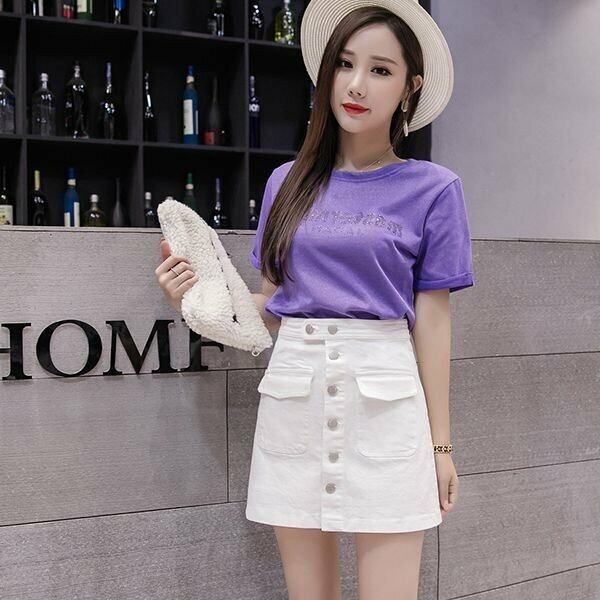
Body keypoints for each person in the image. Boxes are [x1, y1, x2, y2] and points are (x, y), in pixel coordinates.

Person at [155, 1, 475, 598]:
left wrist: (441, 447)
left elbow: (433, 325)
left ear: (410, 88)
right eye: (345, 64)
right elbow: (273, 307)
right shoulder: (287, 182)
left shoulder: (433, 189)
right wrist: (193, 297)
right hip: (294, 403)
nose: (356, 85)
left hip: (386, 407)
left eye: (380, 70)